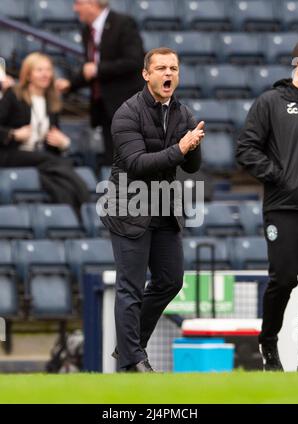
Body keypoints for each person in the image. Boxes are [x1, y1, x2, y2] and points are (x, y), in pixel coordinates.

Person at [100, 47, 205, 372]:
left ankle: (129, 348)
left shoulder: (183, 113)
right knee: (129, 286)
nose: (168, 73)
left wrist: (192, 146)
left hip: (163, 206)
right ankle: (133, 360)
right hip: (128, 206)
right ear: (147, 74)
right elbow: (137, 164)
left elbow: (191, 167)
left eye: (173, 67)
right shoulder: (127, 112)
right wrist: (181, 148)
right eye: (160, 68)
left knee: (170, 280)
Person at [236, 42, 298, 371]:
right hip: (284, 207)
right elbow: (246, 149)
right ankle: (269, 341)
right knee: (285, 278)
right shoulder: (271, 102)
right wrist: (278, 175)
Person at [56, 0, 144, 166]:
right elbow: (91, 69)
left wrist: (98, 69)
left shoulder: (123, 24)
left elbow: (134, 61)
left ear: (92, 3)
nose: (75, 9)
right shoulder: (87, 31)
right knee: (113, 159)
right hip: (104, 105)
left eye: (78, 3)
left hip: (126, 104)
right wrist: (70, 83)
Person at [0, 52, 90, 216]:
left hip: (41, 158)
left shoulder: (52, 101)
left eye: (48, 70)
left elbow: (52, 141)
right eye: (39, 70)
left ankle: (73, 213)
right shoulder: (13, 95)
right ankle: (85, 195)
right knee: (59, 164)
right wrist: (13, 134)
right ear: (28, 74)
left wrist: (64, 144)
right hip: (11, 154)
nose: (45, 74)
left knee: (57, 183)